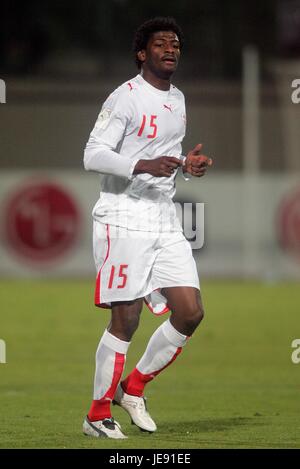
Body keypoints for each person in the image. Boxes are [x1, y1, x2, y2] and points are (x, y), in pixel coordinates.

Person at [82, 16, 212, 439]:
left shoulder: (178, 99)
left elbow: (167, 161)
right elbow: (93, 154)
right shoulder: (125, 98)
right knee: (127, 318)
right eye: (160, 43)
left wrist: (188, 168)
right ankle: (97, 415)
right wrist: (141, 164)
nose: (170, 48)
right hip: (123, 216)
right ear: (143, 53)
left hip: (163, 218)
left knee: (190, 312)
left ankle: (133, 388)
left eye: (175, 43)